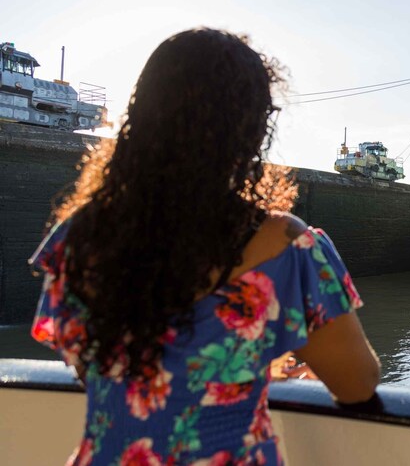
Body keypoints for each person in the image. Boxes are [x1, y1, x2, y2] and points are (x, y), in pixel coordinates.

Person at [29, 28, 380, 465]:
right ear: (252, 128)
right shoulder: (285, 246)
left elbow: (99, 369)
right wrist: (242, 359)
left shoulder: (80, 237)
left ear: (142, 114)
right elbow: (357, 384)